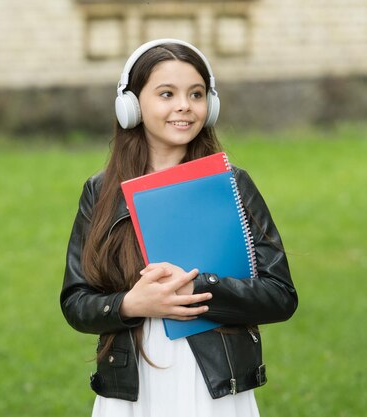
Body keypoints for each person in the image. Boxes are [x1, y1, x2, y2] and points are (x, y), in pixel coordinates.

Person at [61, 39, 298, 417]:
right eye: (166, 94)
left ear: (211, 104)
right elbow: (76, 302)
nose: (184, 105)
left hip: (215, 387)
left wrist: (200, 288)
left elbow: (280, 295)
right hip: (132, 389)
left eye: (197, 94)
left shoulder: (233, 185)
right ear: (132, 105)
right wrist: (130, 304)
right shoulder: (100, 192)